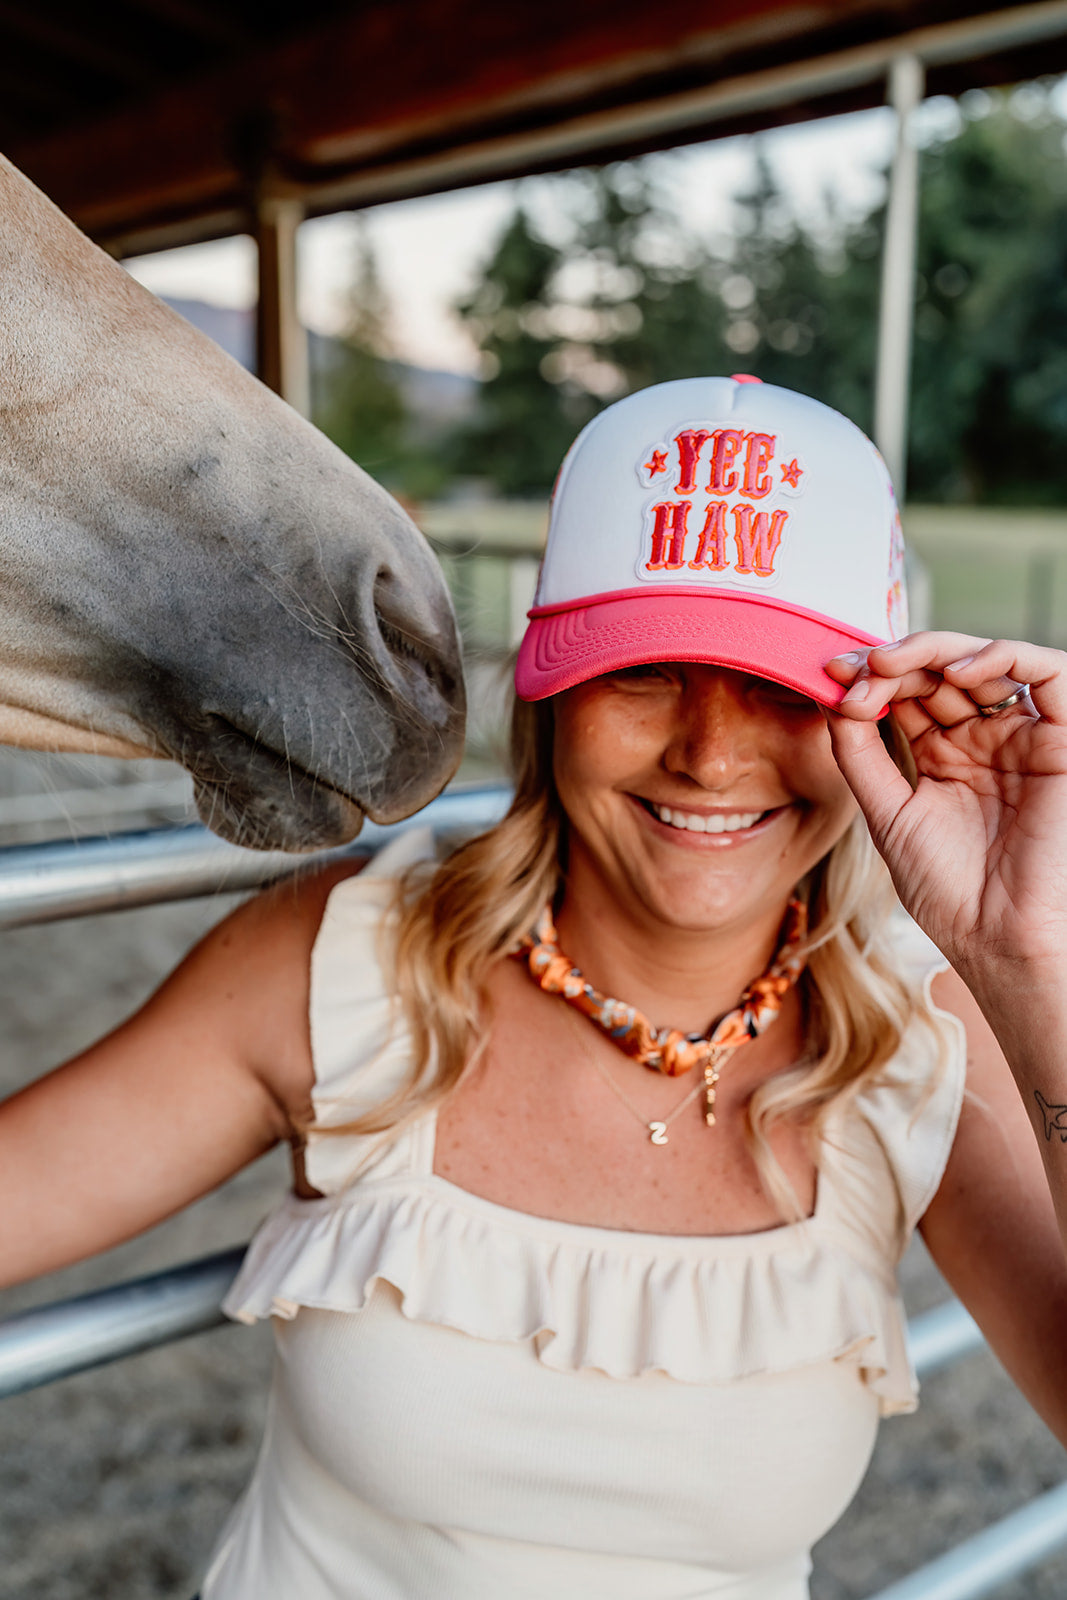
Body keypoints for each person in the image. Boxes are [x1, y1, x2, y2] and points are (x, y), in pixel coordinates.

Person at [4, 374, 1067, 1600]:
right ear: (550, 694)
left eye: (783, 687)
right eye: (645, 672)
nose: (710, 755)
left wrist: (1030, 966)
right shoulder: (348, 961)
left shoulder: (918, 1040)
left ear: (876, 721)